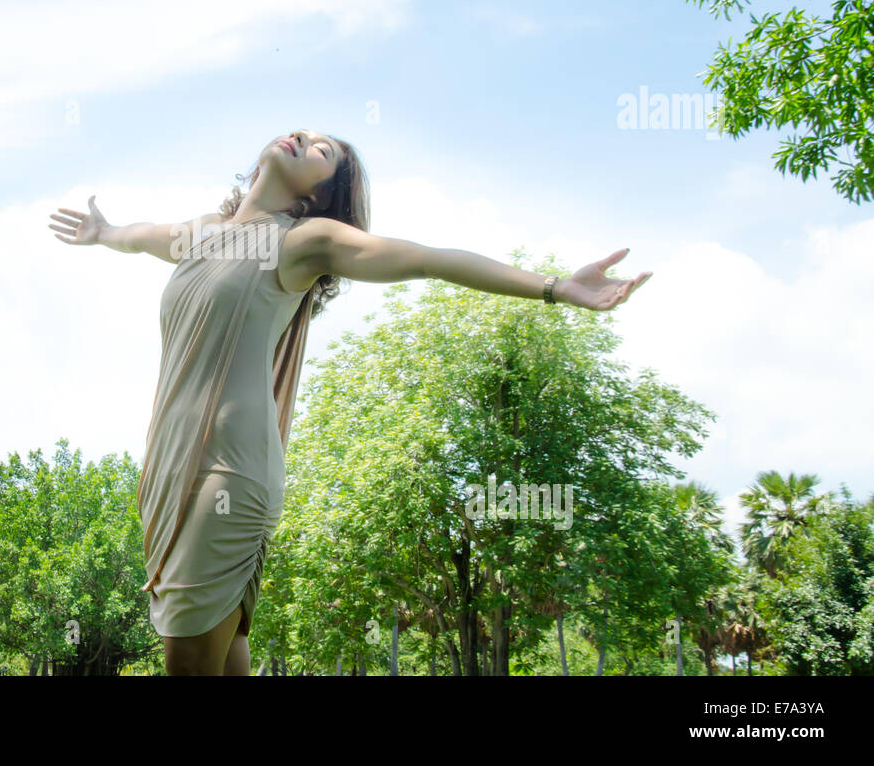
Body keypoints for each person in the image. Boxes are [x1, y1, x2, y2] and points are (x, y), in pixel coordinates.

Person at [48, 129, 651, 675]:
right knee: (224, 658)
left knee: (187, 660)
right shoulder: (205, 232)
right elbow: (140, 238)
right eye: (305, 133)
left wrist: (556, 288)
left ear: (321, 194)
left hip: (227, 470)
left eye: (322, 151)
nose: (303, 139)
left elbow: (431, 260)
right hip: (172, 465)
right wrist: (103, 234)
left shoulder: (305, 241)